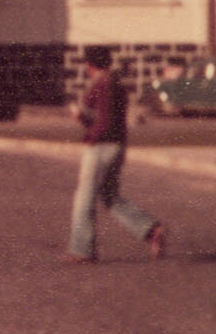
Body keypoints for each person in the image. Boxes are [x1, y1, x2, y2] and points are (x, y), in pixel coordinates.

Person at [64, 46, 166, 263]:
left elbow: (102, 123)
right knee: (110, 196)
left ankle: (82, 250)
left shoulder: (102, 84)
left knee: (84, 198)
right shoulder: (116, 83)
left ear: (89, 65)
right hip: (117, 146)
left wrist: (82, 121)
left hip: (100, 147)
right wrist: (84, 118)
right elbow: (108, 118)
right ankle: (150, 229)